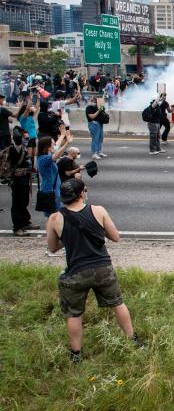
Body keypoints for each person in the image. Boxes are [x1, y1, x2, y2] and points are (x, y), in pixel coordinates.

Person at [45, 178, 144, 363]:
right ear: (82, 193)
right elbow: (115, 237)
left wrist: (70, 237)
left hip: (76, 272)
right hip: (102, 269)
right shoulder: (98, 210)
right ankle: (133, 340)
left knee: (74, 314)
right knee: (118, 304)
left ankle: (76, 354)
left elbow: (52, 247)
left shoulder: (54, 219)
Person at [7, 129, 37, 235]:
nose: (28, 140)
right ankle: (17, 227)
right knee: (17, 203)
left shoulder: (24, 149)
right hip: (17, 180)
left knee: (24, 201)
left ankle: (25, 221)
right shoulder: (14, 149)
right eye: (26, 138)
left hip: (25, 178)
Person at [36, 128, 72, 216]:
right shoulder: (44, 159)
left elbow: (56, 147)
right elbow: (56, 155)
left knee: (56, 213)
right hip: (49, 190)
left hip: (54, 188)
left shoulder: (46, 154)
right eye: (52, 144)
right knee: (53, 215)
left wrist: (62, 135)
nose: (54, 145)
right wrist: (67, 143)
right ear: (47, 147)